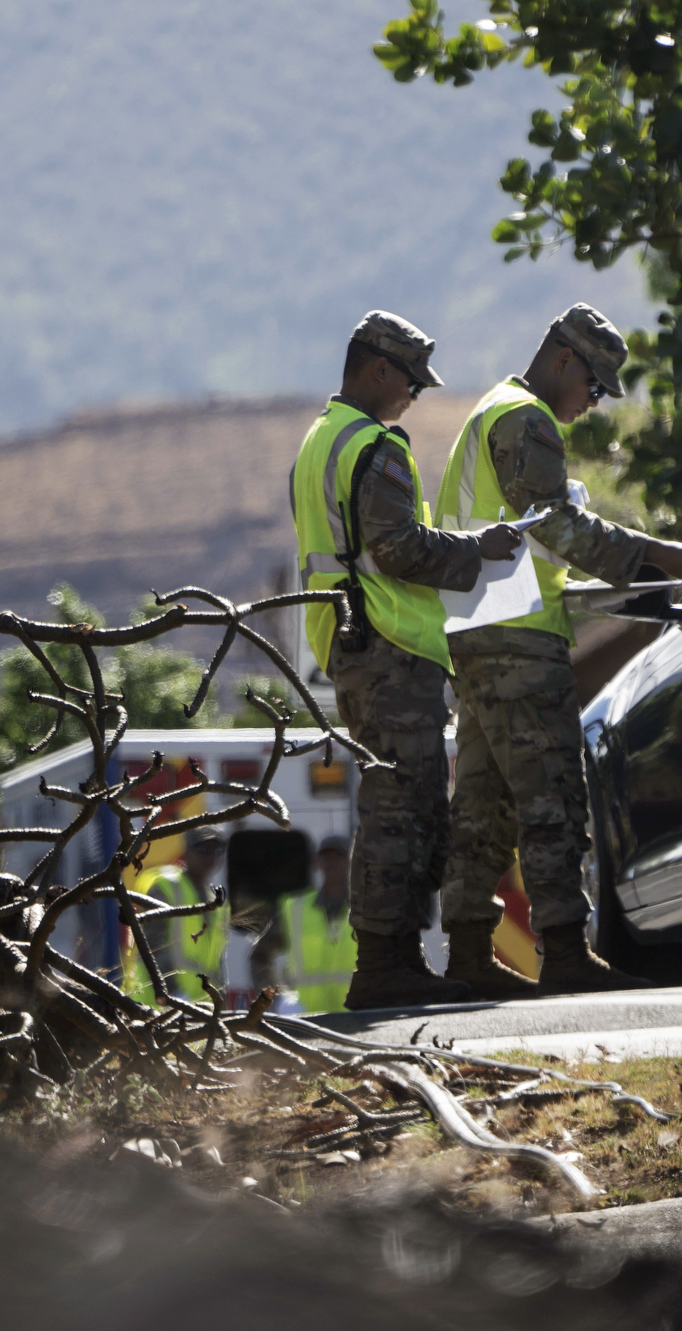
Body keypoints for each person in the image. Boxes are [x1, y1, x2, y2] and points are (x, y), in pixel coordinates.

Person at [436, 304, 682, 995]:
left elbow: (533, 541)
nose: (592, 405)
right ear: (564, 358)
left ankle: (470, 957)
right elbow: (556, 524)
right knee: (552, 793)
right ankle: (563, 952)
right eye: (593, 386)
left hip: (479, 633)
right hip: (517, 642)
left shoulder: (492, 412)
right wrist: (654, 557)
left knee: (484, 802)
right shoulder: (524, 419)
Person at [290, 311, 524, 1010]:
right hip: (389, 642)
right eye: (412, 380)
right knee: (405, 805)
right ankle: (386, 961)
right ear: (378, 370)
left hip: (350, 640)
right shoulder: (375, 445)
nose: (416, 395)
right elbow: (399, 550)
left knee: (399, 800)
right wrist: (479, 551)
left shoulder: (319, 440)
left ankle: (394, 959)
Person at [123, 825, 227, 1003]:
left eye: (217, 848)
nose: (210, 855)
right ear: (186, 851)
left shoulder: (216, 900)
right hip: (155, 1005)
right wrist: (173, 993)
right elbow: (153, 945)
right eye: (202, 847)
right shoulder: (166, 886)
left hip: (198, 1008)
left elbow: (216, 962)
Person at [280, 834, 359, 1013]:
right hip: (308, 1018)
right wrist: (275, 997)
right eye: (326, 857)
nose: (332, 862)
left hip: (357, 1016)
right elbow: (260, 955)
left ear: (352, 861)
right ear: (317, 862)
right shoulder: (296, 907)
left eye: (339, 857)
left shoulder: (369, 906)